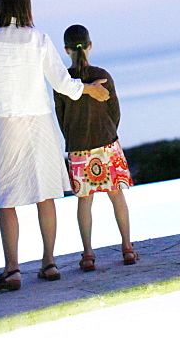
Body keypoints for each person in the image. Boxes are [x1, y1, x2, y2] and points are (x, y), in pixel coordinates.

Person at [0, 0, 109, 292]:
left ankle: (13, 269)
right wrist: (88, 89)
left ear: (0, 2)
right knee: (44, 193)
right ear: (27, 2)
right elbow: (61, 83)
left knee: (7, 198)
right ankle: (49, 263)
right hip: (40, 122)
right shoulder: (39, 39)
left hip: (7, 123)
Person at [54, 24, 138, 271]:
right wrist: (109, 133)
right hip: (107, 142)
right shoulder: (102, 74)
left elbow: (61, 119)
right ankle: (127, 248)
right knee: (117, 197)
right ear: (90, 45)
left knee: (84, 202)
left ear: (66, 49)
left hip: (78, 147)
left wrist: (73, 138)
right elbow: (115, 112)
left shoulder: (63, 82)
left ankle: (88, 254)